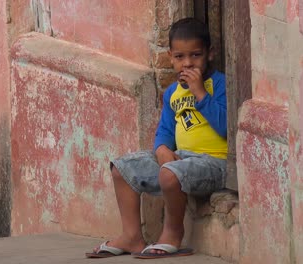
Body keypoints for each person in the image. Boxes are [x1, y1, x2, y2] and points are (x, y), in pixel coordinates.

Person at [86, 17, 227, 259]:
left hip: (213, 163)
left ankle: (172, 233)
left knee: (170, 173)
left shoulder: (221, 84)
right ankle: (131, 236)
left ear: (210, 54)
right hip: (180, 161)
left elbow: (226, 128)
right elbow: (165, 130)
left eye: (195, 55)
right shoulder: (172, 93)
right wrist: (161, 148)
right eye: (180, 57)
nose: (188, 63)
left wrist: (201, 94)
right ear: (170, 57)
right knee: (123, 168)